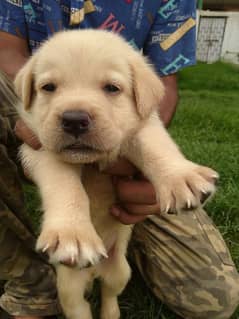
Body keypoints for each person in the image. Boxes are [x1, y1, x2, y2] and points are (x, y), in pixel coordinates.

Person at [0, 1, 238, 319]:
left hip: (121, 157)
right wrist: (34, 119)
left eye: (110, 87)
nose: (76, 112)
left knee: (213, 300)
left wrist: (155, 168)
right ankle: (30, 280)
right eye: (50, 86)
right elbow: (7, 52)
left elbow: (159, 92)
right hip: (29, 127)